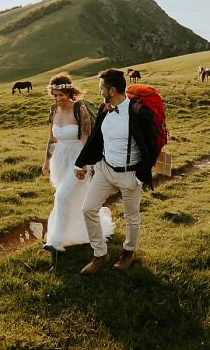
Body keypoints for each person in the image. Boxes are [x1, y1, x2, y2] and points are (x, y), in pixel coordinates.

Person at [74, 69, 158, 275]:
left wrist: (140, 176)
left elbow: (152, 147)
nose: (99, 90)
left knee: (131, 216)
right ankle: (100, 255)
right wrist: (81, 163)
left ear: (111, 90)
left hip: (130, 174)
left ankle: (128, 253)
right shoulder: (105, 108)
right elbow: (95, 139)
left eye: (101, 87)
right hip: (105, 169)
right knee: (88, 209)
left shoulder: (138, 112)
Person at [42, 72, 114, 254]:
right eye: (55, 95)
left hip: (78, 157)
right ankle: (80, 231)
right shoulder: (53, 110)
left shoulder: (79, 109)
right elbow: (52, 139)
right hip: (60, 160)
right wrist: (46, 162)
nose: (58, 99)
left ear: (70, 93)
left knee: (63, 196)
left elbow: (86, 138)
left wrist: (83, 164)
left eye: (61, 95)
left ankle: (55, 241)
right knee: (70, 198)